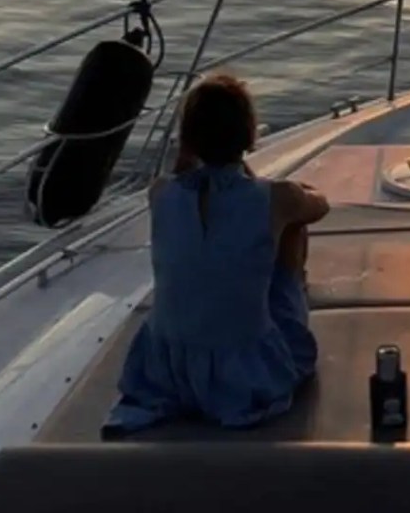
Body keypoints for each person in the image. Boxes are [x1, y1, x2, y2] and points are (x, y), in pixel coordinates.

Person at [105, 73, 329, 434]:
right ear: (249, 131)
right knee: (292, 225)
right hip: (246, 376)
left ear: (189, 140)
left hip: (169, 373)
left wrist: (187, 152)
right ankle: (294, 304)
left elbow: (188, 179)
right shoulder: (278, 197)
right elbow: (320, 205)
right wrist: (276, 191)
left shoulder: (160, 193)